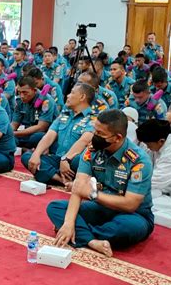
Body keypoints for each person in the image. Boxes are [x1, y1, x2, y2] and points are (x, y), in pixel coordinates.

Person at [47, 110, 154, 257]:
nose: (94, 136)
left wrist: (93, 194)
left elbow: (130, 204)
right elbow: (79, 188)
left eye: (100, 133)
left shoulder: (139, 161)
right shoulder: (92, 151)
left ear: (117, 138)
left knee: (126, 228)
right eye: (94, 130)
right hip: (102, 208)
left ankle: (81, 231)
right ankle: (92, 241)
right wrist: (68, 223)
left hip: (134, 214)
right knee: (55, 207)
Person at [21, 83, 95, 187]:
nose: (68, 95)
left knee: (81, 159)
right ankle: (61, 180)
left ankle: (49, 174)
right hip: (58, 158)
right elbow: (49, 135)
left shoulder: (93, 118)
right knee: (28, 156)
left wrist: (66, 159)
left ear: (82, 97)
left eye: (72, 93)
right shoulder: (64, 114)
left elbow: (83, 141)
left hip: (74, 162)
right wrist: (37, 154)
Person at [136, 120, 171, 210]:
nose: (147, 147)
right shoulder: (155, 145)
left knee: (140, 202)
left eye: (148, 144)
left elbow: (153, 181)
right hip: (161, 190)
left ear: (161, 141)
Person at [12, 76, 57, 149]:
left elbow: (41, 127)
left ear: (35, 90)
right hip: (25, 132)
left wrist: (15, 133)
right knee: (8, 138)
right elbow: (14, 124)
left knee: (37, 137)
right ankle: (24, 149)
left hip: (42, 134)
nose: (22, 96)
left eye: (25, 93)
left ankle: (25, 149)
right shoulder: (19, 100)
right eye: (19, 92)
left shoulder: (46, 101)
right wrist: (9, 133)